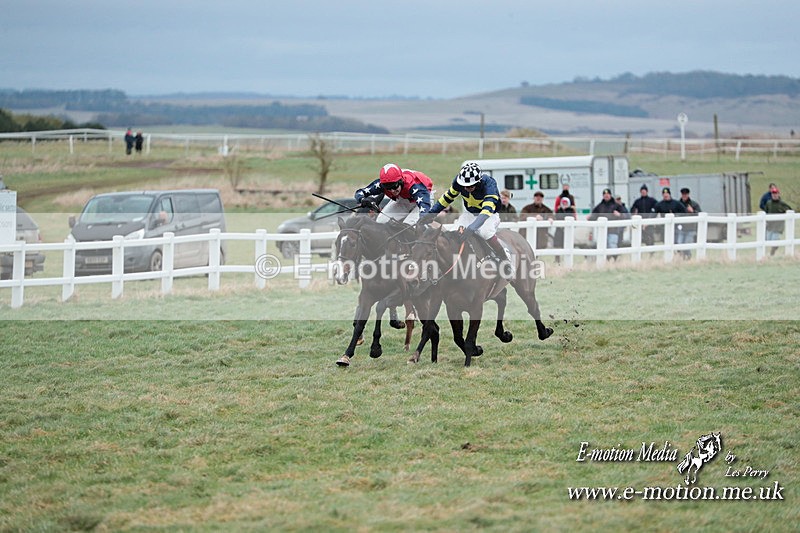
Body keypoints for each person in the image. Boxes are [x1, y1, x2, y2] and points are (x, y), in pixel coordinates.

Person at [420, 162, 507, 261]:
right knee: (453, 232)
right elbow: (447, 198)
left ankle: (504, 258)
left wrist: (471, 228)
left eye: (470, 186)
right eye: (464, 186)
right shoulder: (458, 182)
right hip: (470, 213)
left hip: (489, 214)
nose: (466, 188)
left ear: (478, 182)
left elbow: (486, 211)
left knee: (485, 232)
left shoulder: (489, 184)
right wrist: (431, 214)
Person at [354, 163, 433, 225]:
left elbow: (425, 205)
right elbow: (359, 192)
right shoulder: (381, 184)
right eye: (387, 187)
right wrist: (363, 199)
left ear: (401, 181)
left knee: (409, 225)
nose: (392, 191)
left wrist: (423, 218)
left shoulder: (414, 186)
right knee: (380, 222)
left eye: (394, 186)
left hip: (425, 198)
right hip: (403, 199)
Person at [764, 185, 793, 256]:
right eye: (773, 193)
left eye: (776, 193)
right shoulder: (768, 203)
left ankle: (772, 253)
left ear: (778, 194)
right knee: (767, 240)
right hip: (769, 226)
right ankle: (775, 247)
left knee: (774, 240)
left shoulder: (782, 204)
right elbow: (766, 212)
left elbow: (790, 211)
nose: (774, 195)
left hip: (778, 227)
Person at [677, 187, 702, 259]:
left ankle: (688, 257)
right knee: (679, 243)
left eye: (686, 194)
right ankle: (681, 258)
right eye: (683, 194)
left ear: (688, 194)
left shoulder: (694, 204)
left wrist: (693, 211)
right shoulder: (678, 204)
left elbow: (700, 214)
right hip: (681, 228)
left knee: (687, 244)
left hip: (690, 228)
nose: (684, 196)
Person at [553, 196, 577, 263]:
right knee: (557, 245)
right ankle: (557, 259)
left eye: (566, 203)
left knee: (567, 245)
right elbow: (556, 218)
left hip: (567, 231)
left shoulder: (571, 210)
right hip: (559, 230)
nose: (564, 204)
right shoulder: (558, 210)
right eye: (563, 203)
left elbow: (574, 219)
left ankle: (567, 260)